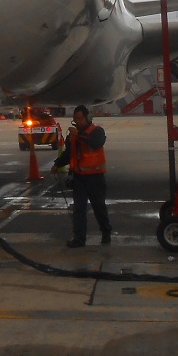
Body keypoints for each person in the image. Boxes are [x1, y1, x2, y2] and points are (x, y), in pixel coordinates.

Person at [52, 105, 112, 248]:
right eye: (76, 119)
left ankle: (106, 232)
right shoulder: (73, 135)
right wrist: (57, 164)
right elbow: (69, 153)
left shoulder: (97, 131)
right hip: (79, 177)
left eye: (80, 119)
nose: (78, 122)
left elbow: (96, 143)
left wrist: (78, 134)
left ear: (87, 118)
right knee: (79, 209)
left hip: (95, 177)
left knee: (99, 207)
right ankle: (79, 238)